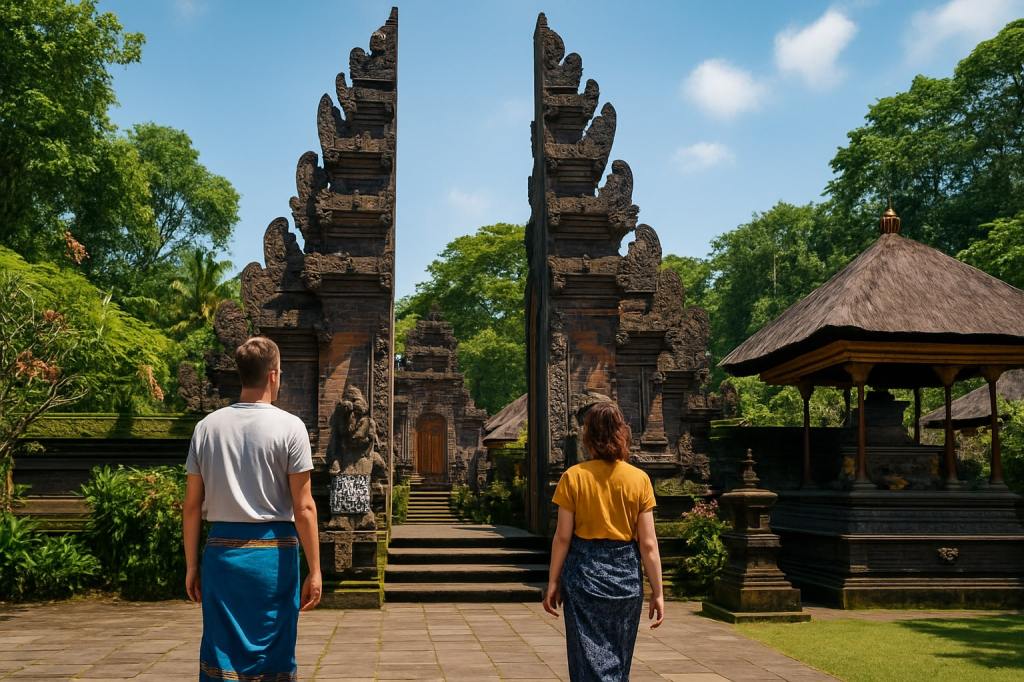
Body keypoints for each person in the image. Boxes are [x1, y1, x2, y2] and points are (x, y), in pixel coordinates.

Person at [182, 336, 322, 682]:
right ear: (274, 375)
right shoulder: (290, 427)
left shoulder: (206, 428)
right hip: (273, 556)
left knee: (221, 650)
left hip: (221, 553)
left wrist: (191, 565)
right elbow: (304, 507)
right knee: (272, 653)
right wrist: (315, 569)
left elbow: (190, 507)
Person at [542, 401, 664, 682]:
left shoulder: (573, 477)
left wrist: (552, 582)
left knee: (586, 659)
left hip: (584, 574)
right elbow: (648, 544)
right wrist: (657, 591)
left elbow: (562, 537)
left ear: (587, 436)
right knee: (619, 659)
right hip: (626, 578)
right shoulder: (639, 479)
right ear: (622, 433)